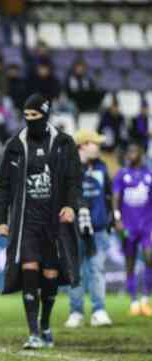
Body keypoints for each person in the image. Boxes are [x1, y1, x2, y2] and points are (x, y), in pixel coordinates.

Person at [0, 93, 82, 350]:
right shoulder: (15, 145)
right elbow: (3, 184)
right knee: (29, 268)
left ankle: (45, 323)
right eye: (26, 116)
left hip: (54, 221)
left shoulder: (64, 143)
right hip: (26, 220)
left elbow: (74, 181)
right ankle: (33, 332)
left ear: (45, 115)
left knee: (51, 273)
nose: (30, 120)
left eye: (35, 116)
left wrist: (70, 205)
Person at [65, 129, 113, 328]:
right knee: (75, 271)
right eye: (95, 143)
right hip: (74, 228)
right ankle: (76, 312)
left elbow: (108, 195)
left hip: (99, 228)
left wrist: (110, 219)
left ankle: (99, 310)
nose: (98, 146)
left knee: (97, 269)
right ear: (83, 145)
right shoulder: (69, 168)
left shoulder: (102, 167)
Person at [112, 142, 152, 317]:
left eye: (135, 150)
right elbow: (115, 197)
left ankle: (145, 299)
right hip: (128, 226)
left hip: (147, 225)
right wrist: (117, 218)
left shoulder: (149, 174)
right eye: (130, 151)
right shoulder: (122, 174)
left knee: (150, 257)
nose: (132, 154)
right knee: (130, 263)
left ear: (141, 153)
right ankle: (134, 302)